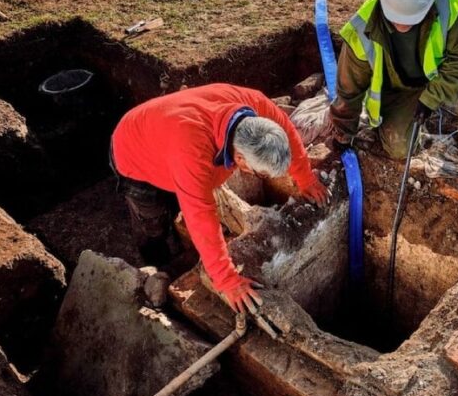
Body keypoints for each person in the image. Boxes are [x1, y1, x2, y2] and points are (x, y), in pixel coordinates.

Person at [110, 83, 331, 314]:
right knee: (152, 219)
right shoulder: (192, 153)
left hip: (164, 136)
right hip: (133, 153)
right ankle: (158, 262)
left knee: (180, 200)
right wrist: (226, 280)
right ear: (239, 158)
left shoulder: (255, 105)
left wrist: (306, 179)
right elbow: (201, 215)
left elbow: (288, 132)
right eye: (259, 173)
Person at [328, 0, 458, 163]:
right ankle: (408, 122)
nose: (402, 26)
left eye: (412, 18)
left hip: (439, 74)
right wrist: (343, 135)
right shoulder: (361, 29)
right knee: (400, 148)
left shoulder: (449, 1)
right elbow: (349, 88)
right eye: (395, 19)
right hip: (399, 90)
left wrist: (431, 98)